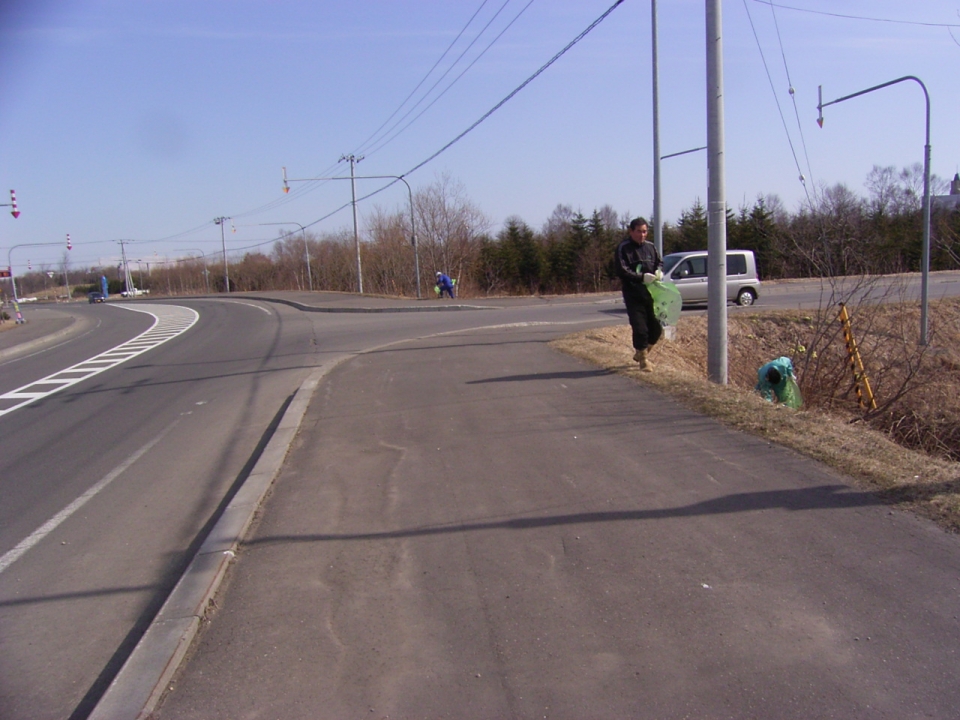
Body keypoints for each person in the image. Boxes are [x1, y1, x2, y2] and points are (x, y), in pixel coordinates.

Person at [615, 217, 663, 371]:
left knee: (656, 328)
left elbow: (659, 262)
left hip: (651, 293)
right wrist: (641, 277)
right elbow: (622, 271)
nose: (642, 235)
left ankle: (641, 353)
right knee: (640, 328)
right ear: (631, 231)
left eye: (645, 231)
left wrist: (658, 271)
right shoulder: (623, 248)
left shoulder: (651, 247)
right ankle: (643, 361)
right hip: (633, 294)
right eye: (639, 231)